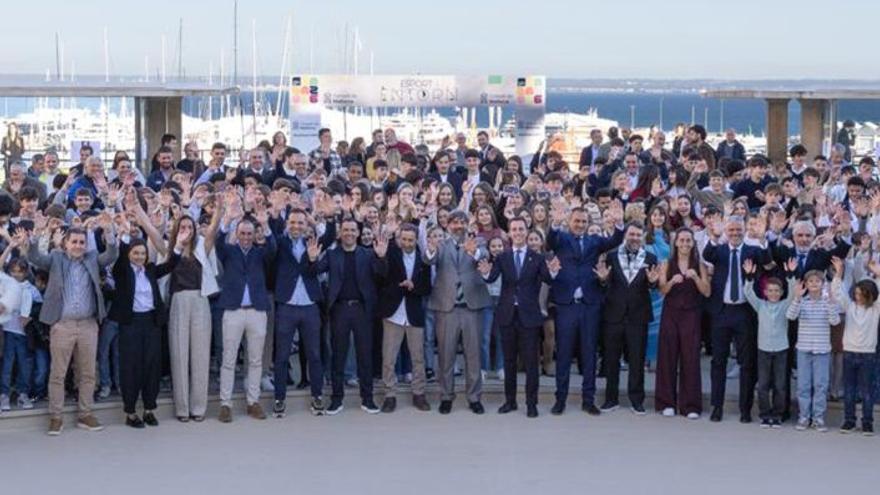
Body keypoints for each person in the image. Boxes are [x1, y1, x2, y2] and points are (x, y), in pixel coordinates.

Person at [22, 220, 118, 436]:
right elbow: (34, 257)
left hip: (88, 325)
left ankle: (85, 414)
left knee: (87, 373)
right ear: (65, 243)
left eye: (82, 242)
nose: (78, 245)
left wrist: (109, 233)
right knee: (58, 373)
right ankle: (56, 417)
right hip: (62, 325)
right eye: (74, 242)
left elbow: (111, 256)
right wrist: (37, 235)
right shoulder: (56, 258)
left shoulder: (92, 258)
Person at [546, 201, 624, 415]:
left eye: (583, 221)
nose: (580, 224)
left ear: (588, 223)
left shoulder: (595, 241)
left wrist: (618, 223)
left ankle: (588, 400)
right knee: (563, 354)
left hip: (590, 305)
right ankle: (560, 399)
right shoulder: (561, 238)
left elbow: (615, 240)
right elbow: (550, 239)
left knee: (589, 353)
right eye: (576, 221)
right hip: (566, 305)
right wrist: (555, 222)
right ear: (570, 222)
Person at [306, 217, 388, 415]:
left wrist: (381, 257)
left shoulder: (368, 254)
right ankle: (336, 399)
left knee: (364, 355)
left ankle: (367, 399)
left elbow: (382, 275)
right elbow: (314, 272)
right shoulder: (332, 254)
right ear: (340, 233)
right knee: (339, 355)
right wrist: (312, 258)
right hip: (339, 309)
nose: (349, 233)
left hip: (362, 310)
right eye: (345, 230)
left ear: (358, 233)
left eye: (353, 230)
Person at [479, 217, 552, 417]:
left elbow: (547, 277)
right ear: (509, 233)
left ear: (527, 232)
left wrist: (552, 271)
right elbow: (492, 277)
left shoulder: (537, 257)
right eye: (514, 229)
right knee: (509, 361)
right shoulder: (503, 257)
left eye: (521, 229)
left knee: (531, 363)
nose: (518, 232)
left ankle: (531, 404)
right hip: (507, 315)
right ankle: (510, 401)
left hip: (529, 316)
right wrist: (485, 273)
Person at [702, 216, 770, 423]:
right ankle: (717, 406)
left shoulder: (752, 251)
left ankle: (745, 409)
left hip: (744, 313)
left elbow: (767, 261)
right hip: (722, 312)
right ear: (726, 231)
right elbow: (707, 254)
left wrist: (762, 238)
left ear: (744, 230)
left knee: (747, 363)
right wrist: (714, 236)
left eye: (738, 230)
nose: (734, 233)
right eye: (730, 230)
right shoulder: (720, 250)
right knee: (718, 362)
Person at [269, 207, 335, 417]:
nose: (296, 226)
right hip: (286, 305)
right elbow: (269, 241)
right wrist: (273, 215)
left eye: (300, 223)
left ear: (306, 225)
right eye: (293, 222)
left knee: (315, 354)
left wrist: (331, 217)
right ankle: (279, 398)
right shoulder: (280, 241)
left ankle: (317, 396)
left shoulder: (312, 242)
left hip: (309, 306)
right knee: (281, 356)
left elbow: (331, 236)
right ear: (287, 223)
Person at [423, 210, 490, 415]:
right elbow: (428, 260)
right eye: (455, 222)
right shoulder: (441, 244)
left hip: (471, 307)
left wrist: (473, 252)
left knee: (473, 356)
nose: (459, 226)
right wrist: (431, 248)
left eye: (462, 222)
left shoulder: (478, 241)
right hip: (447, 308)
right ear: (448, 225)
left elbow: (485, 257)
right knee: (445, 355)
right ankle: (446, 396)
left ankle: (474, 397)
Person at [108, 236, 178, 429]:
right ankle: (130, 412)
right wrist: (123, 236)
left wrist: (179, 244)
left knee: (152, 366)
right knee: (131, 367)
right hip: (130, 324)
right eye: (135, 253)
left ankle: (149, 409)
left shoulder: (150, 269)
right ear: (129, 254)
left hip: (151, 322)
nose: (139, 257)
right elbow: (121, 259)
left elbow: (171, 264)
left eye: (143, 253)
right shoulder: (122, 271)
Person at [215, 212, 277, 423]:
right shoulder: (229, 251)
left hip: (257, 310)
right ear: (237, 233)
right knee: (229, 359)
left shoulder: (260, 253)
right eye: (242, 233)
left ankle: (253, 401)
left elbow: (273, 249)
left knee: (255, 359)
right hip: (233, 310)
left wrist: (266, 225)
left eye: (250, 233)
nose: (246, 237)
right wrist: (225, 220)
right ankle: (225, 403)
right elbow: (217, 242)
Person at [596, 222, 660, 414]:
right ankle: (610, 399)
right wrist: (603, 279)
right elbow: (604, 283)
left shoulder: (650, 257)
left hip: (638, 316)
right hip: (614, 315)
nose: (634, 238)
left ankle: (636, 400)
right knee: (611, 359)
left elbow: (653, 286)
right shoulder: (612, 256)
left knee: (637, 360)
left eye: (638, 235)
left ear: (642, 237)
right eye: (631, 234)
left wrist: (652, 283)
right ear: (625, 235)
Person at [655, 227, 711, 419]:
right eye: (682, 240)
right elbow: (662, 290)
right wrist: (671, 282)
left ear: (693, 243)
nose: (685, 244)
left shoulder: (699, 265)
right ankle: (666, 402)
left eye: (689, 240)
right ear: (676, 243)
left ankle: (691, 405)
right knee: (667, 357)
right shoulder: (666, 263)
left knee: (690, 357)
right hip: (671, 313)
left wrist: (695, 278)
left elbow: (706, 292)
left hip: (692, 315)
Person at [377, 223, 432, 413]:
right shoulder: (390, 253)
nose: (407, 243)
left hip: (414, 313)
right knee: (389, 358)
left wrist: (413, 286)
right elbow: (380, 277)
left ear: (416, 240)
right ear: (399, 238)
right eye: (404, 239)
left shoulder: (424, 260)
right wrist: (382, 257)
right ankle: (389, 395)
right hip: (393, 313)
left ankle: (419, 393)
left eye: (410, 240)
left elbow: (427, 288)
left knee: (418, 358)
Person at [743, 258, 798, 428]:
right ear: (765, 292)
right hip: (764, 349)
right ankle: (765, 414)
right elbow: (748, 293)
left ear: (781, 292)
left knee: (780, 385)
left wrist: (790, 274)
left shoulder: (785, 305)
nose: (774, 293)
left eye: (777, 290)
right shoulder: (760, 305)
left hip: (781, 349)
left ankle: (778, 414)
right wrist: (749, 277)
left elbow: (793, 293)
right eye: (770, 290)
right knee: (763, 384)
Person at [786, 269, 840, 432]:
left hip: (822, 350)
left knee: (820, 385)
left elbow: (835, 321)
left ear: (823, 284)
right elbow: (790, 316)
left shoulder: (828, 302)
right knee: (803, 385)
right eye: (810, 281)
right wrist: (796, 297)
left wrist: (831, 301)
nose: (814, 284)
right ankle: (804, 417)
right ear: (806, 284)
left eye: (817, 281)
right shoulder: (802, 301)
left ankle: (818, 418)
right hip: (803, 349)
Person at [831, 257, 879, 436]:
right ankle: (849, 421)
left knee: (867, 391)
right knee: (849, 390)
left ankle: (867, 423)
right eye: (856, 294)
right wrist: (839, 273)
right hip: (849, 353)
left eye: (862, 294)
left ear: (870, 296)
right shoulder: (850, 307)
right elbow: (838, 293)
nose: (858, 297)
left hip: (868, 354)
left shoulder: (876, 309)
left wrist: (878, 274)